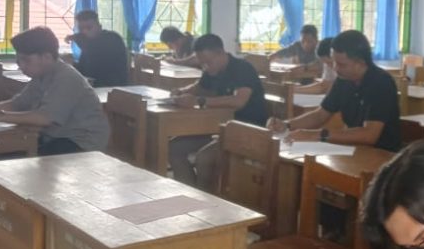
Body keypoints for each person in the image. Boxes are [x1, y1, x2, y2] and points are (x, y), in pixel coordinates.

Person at [0, 27, 108, 155]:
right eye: (18, 61)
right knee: (5, 149)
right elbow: (17, 103)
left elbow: (44, 117)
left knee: (15, 157)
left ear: (47, 57)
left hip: (81, 142)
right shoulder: (41, 75)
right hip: (55, 136)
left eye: (26, 60)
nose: (21, 66)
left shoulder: (66, 78)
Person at [269, 30, 401, 151]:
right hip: (352, 149)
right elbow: (320, 114)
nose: (335, 68)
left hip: (382, 153)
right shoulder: (343, 80)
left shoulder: (381, 83)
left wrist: (317, 135)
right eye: (333, 62)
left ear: (360, 63)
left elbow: (369, 135)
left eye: (341, 64)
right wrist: (286, 125)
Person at [168, 34, 267, 190]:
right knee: (173, 148)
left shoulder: (242, 68)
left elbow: (238, 101)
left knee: (204, 158)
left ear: (221, 53)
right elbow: (199, 86)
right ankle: (189, 193)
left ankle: (205, 200)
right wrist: (181, 91)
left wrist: (199, 101)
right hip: (218, 129)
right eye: (202, 63)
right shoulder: (212, 69)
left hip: (246, 131)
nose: (205, 67)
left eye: (208, 62)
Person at [67, 10, 129, 87]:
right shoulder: (87, 42)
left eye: (89, 28)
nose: (84, 31)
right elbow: (83, 68)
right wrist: (69, 65)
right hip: (93, 86)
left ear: (99, 26)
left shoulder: (112, 39)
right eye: (81, 29)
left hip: (113, 87)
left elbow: (98, 65)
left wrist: (77, 38)